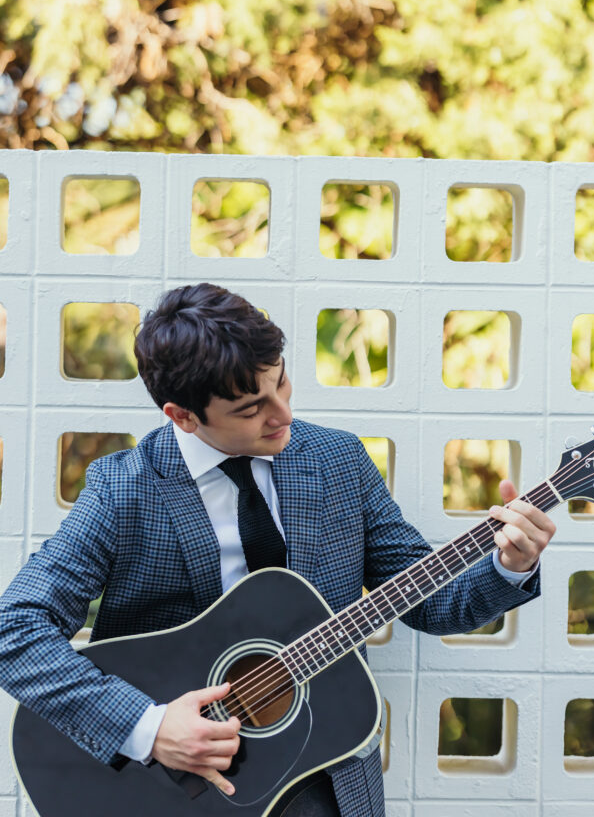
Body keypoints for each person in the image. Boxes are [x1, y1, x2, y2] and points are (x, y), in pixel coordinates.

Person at [0, 283, 555, 817]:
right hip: (165, 788)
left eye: (281, 383)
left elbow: (431, 602)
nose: (282, 414)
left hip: (323, 773)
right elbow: (14, 628)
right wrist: (148, 728)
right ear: (183, 416)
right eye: (249, 409)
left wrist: (510, 565)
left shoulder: (338, 462)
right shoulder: (125, 490)